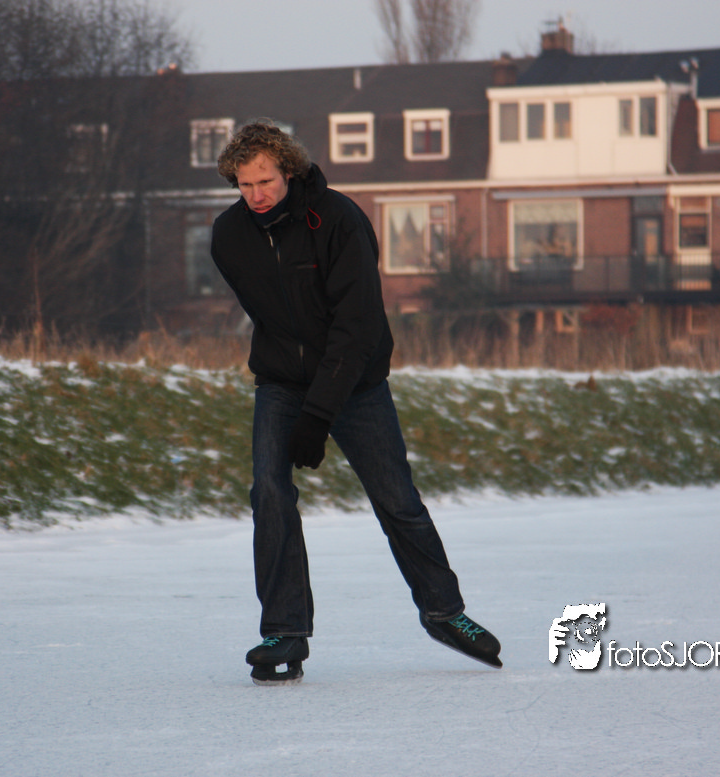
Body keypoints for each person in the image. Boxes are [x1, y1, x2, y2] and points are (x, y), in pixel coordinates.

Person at [210, 121, 502, 685]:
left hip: (356, 383)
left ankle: (445, 613)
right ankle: (285, 631)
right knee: (269, 493)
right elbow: (268, 313)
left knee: (398, 500)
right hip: (281, 383)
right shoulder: (229, 235)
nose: (257, 195)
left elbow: (358, 324)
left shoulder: (338, 220)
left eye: (265, 181)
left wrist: (319, 414)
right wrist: (295, 392)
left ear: (288, 171)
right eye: (245, 185)